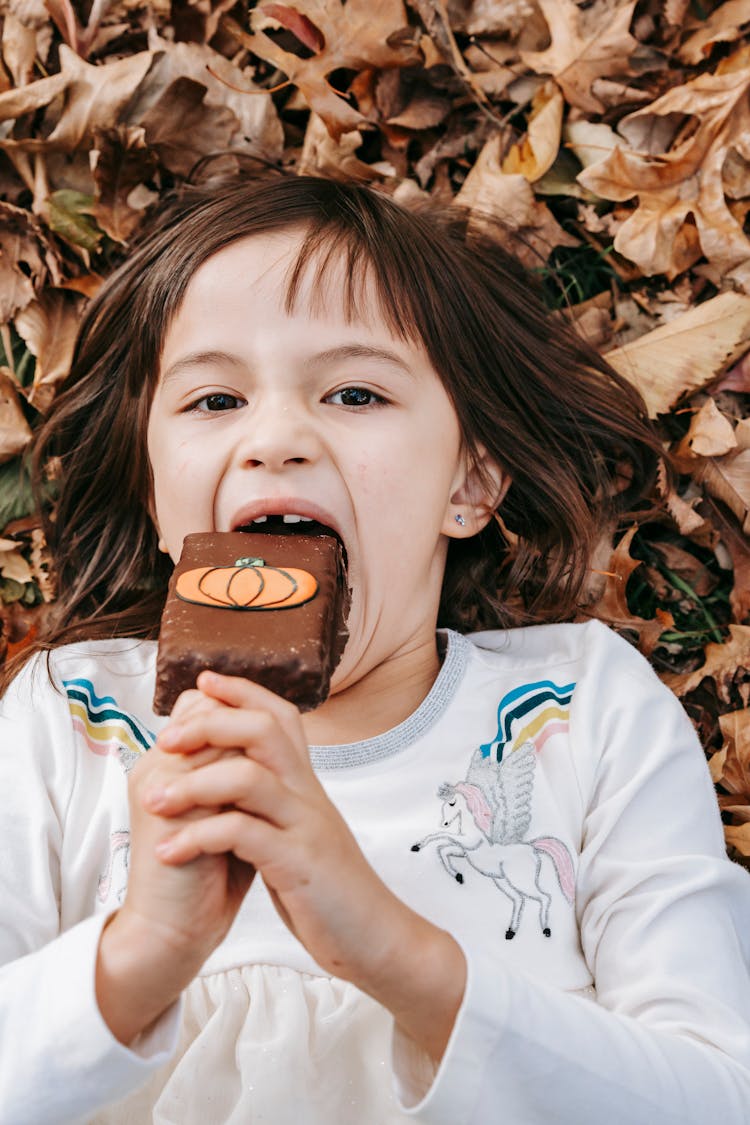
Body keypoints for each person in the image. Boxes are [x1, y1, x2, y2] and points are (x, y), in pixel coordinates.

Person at [0, 173, 748, 1125]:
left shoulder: (581, 708)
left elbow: (718, 1096)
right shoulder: (75, 720)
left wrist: (400, 954)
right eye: (214, 398)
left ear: (469, 483)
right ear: (156, 498)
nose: (276, 437)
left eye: (354, 391)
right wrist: (136, 954)